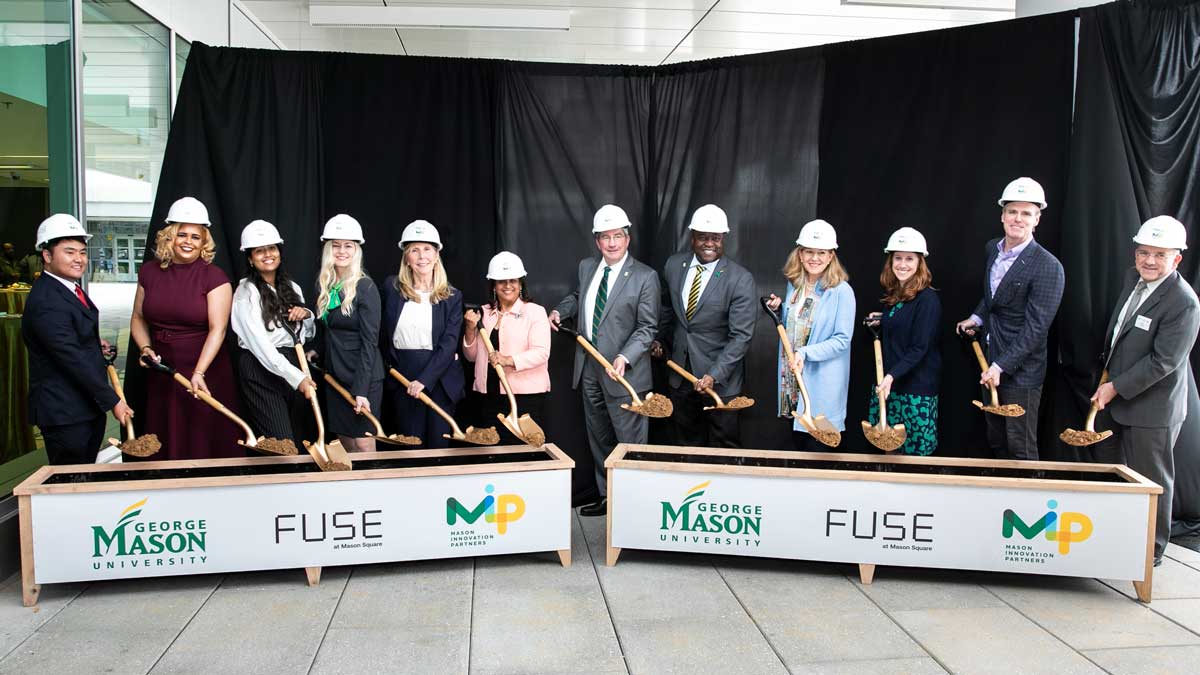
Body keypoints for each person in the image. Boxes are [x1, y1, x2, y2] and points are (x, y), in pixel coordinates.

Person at [1090, 216, 1200, 567]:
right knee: (1112, 473)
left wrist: (1114, 387)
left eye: (1160, 254)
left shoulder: (1184, 302)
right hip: (1115, 396)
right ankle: (1113, 537)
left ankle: (1149, 553)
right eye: (1144, 252)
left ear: (1177, 259)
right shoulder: (1133, 280)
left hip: (1152, 407)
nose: (1149, 261)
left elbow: (1163, 362)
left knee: (1150, 480)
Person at [550, 204, 660, 515]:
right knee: (599, 437)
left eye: (617, 236)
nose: (611, 243)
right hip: (588, 367)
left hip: (624, 373)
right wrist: (562, 309)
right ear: (597, 241)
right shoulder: (587, 267)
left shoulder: (645, 276)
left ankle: (634, 505)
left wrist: (626, 357)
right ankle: (608, 496)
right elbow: (578, 296)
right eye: (605, 237)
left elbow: (647, 327)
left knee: (629, 442)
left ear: (627, 238)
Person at [956, 177, 1064, 461]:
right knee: (996, 440)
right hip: (989, 358)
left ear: (1037, 218)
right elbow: (994, 296)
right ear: (1002, 214)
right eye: (1013, 211)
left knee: (1020, 447)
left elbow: (1036, 328)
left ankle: (1029, 504)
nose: (1018, 218)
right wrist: (976, 318)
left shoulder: (1048, 266)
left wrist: (1001, 366)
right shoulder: (993, 248)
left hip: (1021, 371)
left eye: (1026, 213)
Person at [130, 196, 242, 460]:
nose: (188, 242)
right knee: (166, 435)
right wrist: (146, 347)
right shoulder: (148, 272)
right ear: (169, 236)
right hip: (163, 367)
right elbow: (137, 317)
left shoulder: (215, 277)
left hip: (204, 368)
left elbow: (218, 330)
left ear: (204, 242)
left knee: (201, 437)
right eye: (182, 234)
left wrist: (199, 371)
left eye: (195, 236)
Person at [21, 214, 132, 464]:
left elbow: (69, 338)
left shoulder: (67, 288)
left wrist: (94, 344)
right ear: (47, 256)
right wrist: (112, 400)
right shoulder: (47, 300)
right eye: (69, 252)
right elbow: (69, 356)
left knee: (83, 476)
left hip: (81, 407)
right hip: (64, 412)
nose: (79, 259)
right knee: (70, 482)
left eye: (82, 252)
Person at [650, 204, 756, 448]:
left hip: (721, 380)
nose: (709, 243)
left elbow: (740, 337)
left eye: (716, 238)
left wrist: (714, 375)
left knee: (723, 445)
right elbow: (668, 312)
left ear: (724, 238)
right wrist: (658, 340)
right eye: (703, 237)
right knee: (685, 443)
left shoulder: (740, 279)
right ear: (692, 237)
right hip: (680, 374)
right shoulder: (674, 266)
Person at [767, 219, 855, 451]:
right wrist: (780, 310)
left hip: (821, 383)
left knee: (819, 452)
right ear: (800, 254)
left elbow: (842, 340)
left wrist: (805, 353)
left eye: (821, 252)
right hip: (793, 380)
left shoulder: (841, 291)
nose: (814, 258)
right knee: (798, 445)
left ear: (831, 256)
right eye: (809, 252)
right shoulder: (795, 285)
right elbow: (797, 327)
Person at [229, 220, 316, 444]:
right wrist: (299, 379)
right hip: (261, 368)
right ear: (250, 258)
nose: (267, 254)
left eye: (272, 248)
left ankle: (299, 479)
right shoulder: (245, 293)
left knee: (300, 438)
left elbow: (304, 336)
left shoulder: (293, 288)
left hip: (292, 361)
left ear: (279, 251)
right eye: (259, 251)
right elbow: (261, 347)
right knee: (282, 443)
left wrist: (306, 315)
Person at [382, 220, 464, 448]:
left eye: (427, 249)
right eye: (414, 250)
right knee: (409, 447)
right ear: (406, 257)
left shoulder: (452, 296)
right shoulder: (392, 288)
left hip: (439, 379)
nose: (421, 256)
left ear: (437, 255)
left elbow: (449, 344)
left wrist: (424, 381)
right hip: (402, 378)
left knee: (438, 447)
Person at [865, 227, 942, 456]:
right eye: (898, 258)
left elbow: (920, 347)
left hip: (915, 392)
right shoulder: (895, 295)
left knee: (913, 457)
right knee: (889, 451)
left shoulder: (928, 299)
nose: (903, 264)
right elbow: (902, 323)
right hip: (890, 387)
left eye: (910, 259)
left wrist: (891, 376)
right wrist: (882, 320)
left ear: (920, 262)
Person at [462, 252, 551, 443]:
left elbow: (541, 352)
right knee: (492, 453)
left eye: (513, 280)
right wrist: (470, 329)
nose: (508, 286)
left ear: (521, 284)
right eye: (502, 281)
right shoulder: (484, 313)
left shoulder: (535, 312)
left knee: (522, 453)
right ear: (494, 285)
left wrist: (508, 360)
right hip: (488, 396)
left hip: (524, 397)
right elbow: (471, 357)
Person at [314, 214, 383, 452]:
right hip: (335, 375)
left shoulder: (366, 287)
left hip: (362, 375)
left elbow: (369, 343)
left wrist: (361, 390)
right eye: (335, 245)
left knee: (363, 442)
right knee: (345, 441)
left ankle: (373, 489)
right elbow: (329, 330)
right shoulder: (326, 285)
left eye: (348, 246)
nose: (341, 251)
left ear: (356, 250)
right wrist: (317, 352)